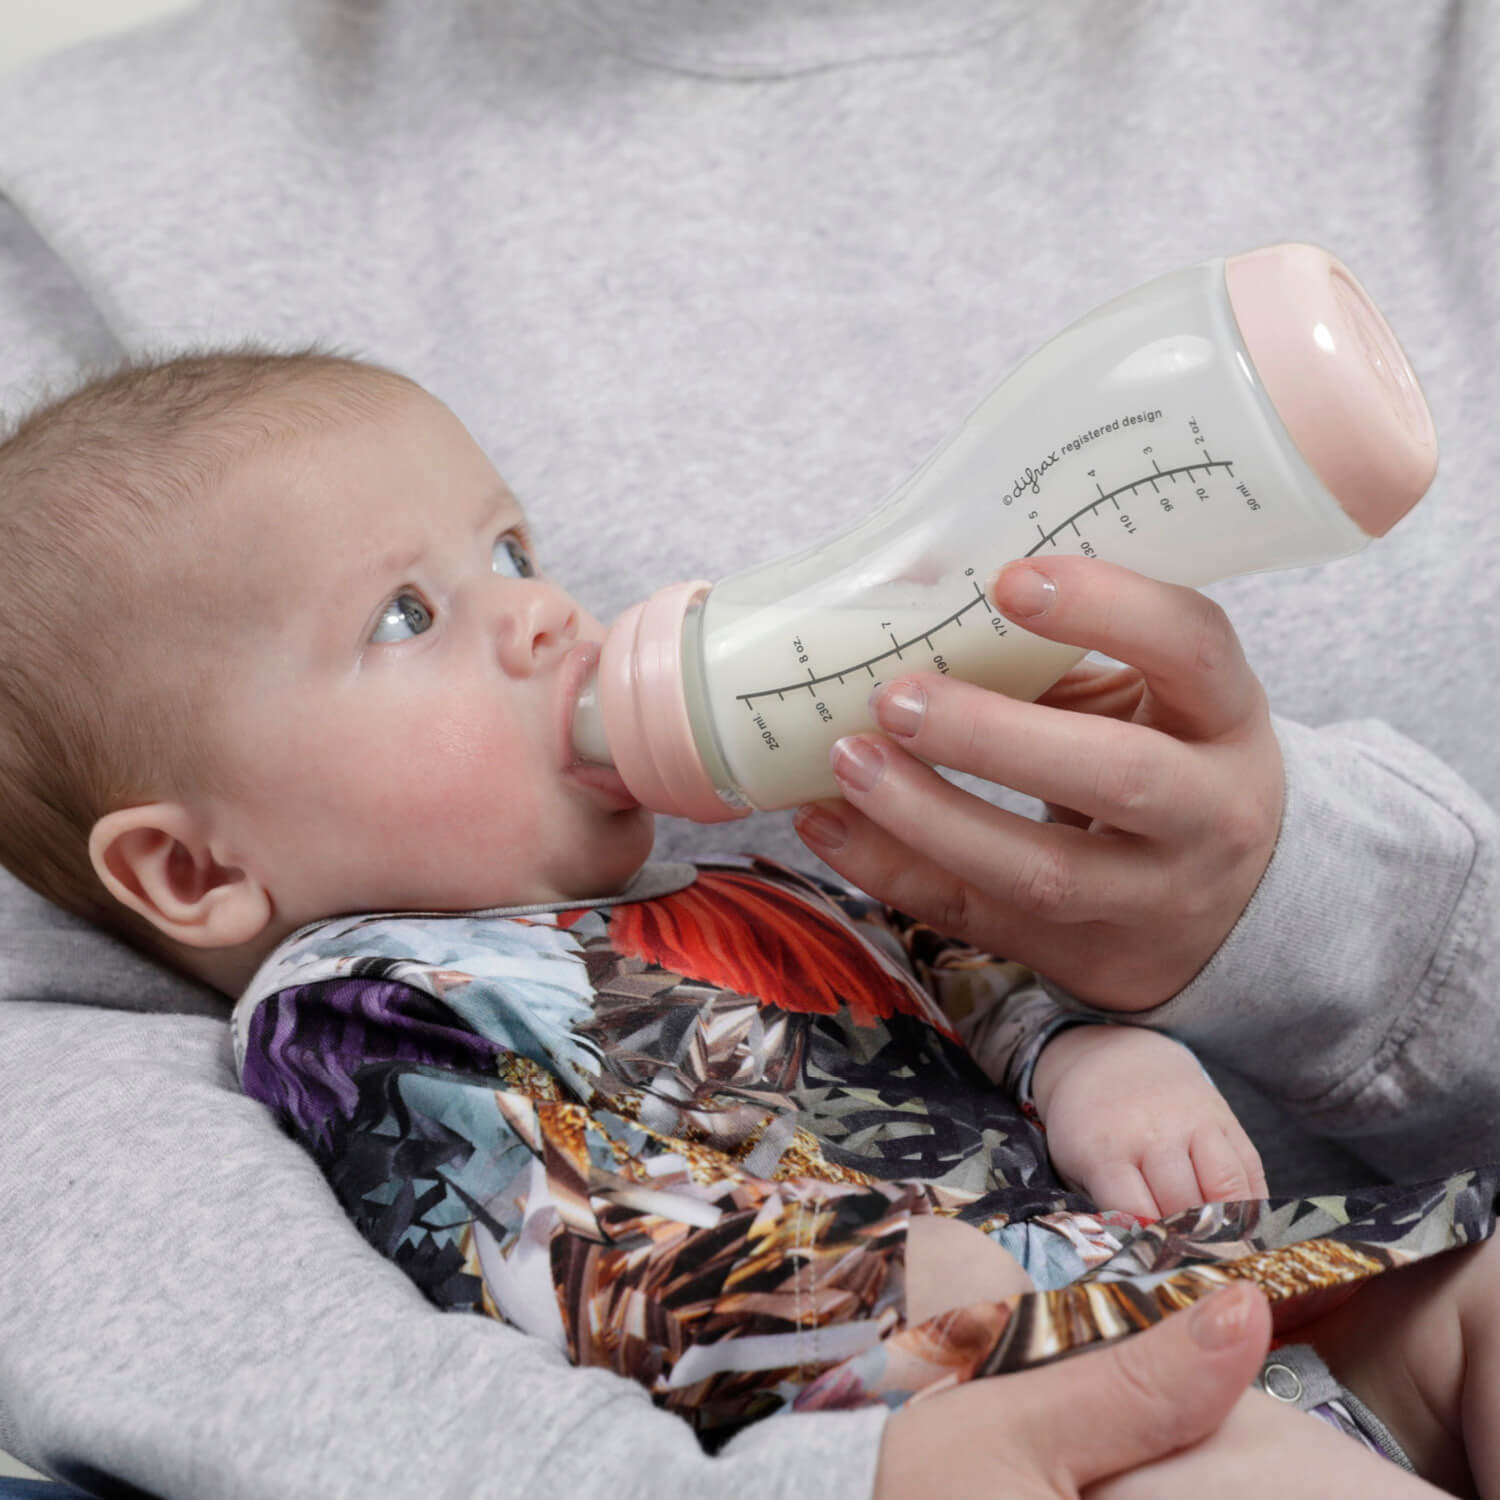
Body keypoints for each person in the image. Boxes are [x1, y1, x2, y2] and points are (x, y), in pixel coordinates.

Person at [0, 2, 1497, 1496]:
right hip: (990, 1409)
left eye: (511, 546)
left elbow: (959, 983)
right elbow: (597, 1275)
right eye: (406, 615)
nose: (541, 612)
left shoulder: (738, 899)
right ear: (193, 868)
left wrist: (1092, 1056)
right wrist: (924, 1291)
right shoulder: (378, 1019)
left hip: (1216, 1292)